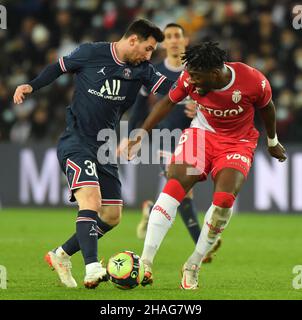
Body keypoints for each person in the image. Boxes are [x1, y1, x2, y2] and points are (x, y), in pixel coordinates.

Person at [13, 19, 174, 289]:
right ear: (132, 40)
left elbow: (170, 88)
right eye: (147, 49)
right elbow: (58, 68)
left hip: (105, 146)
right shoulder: (91, 53)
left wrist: (196, 90)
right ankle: (92, 266)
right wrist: (32, 85)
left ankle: (61, 255)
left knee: (112, 216)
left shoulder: (142, 70)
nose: (149, 56)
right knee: (91, 200)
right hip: (76, 141)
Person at [127, 41, 287, 290]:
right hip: (201, 135)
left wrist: (272, 140)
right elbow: (166, 102)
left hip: (237, 143)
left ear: (214, 74)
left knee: (224, 200)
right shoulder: (191, 77)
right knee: (175, 182)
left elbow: (267, 108)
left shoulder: (253, 80)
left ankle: (193, 264)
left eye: (197, 77)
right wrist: (141, 133)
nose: (191, 81)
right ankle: (145, 261)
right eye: (190, 74)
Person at [119, 23, 221, 262]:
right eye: (169, 37)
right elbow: (139, 107)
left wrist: (201, 106)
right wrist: (132, 135)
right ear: (164, 44)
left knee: (184, 192)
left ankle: (153, 208)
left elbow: (217, 100)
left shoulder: (198, 70)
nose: (174, 40)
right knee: (183, 191)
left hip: (197, 136)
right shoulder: (152, 71)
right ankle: (201, 244)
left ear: (185, 41)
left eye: (178, 36)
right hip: (168, 137)